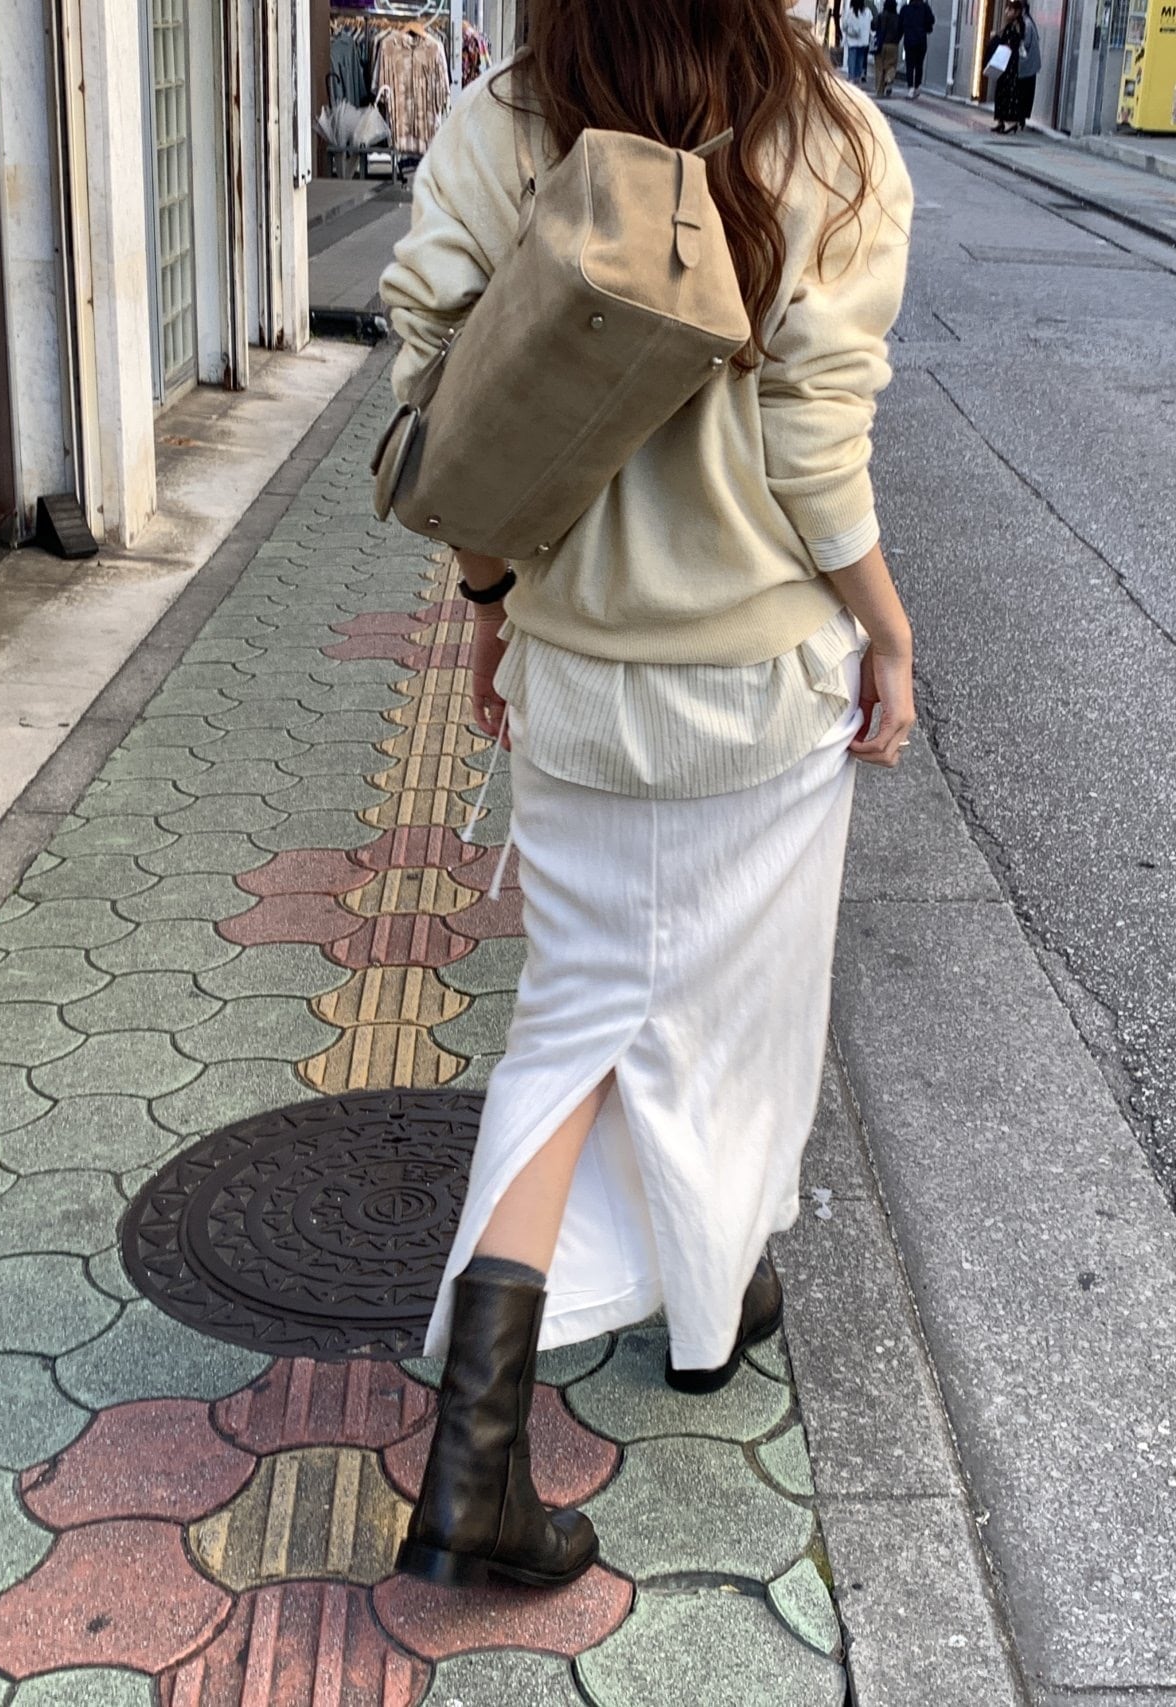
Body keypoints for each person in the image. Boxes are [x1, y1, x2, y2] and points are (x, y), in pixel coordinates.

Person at [381, 0, 915, 1591]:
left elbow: (449, 396)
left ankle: (485, 1454)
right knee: (740, 1015)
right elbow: (816, 450)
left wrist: (492, 601)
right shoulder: (830, 139)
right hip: (761, 685)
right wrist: (889, 633)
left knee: (574, 1018)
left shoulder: (506, 118)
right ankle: (712, 1294)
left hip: (580, 671)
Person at [988, 0, 1025, 132]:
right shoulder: (1009, 25)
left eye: (1010, 10)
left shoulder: (1018, 26)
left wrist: (996, 38)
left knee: (1009, 92)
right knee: (1001, 90)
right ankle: (1001, 121)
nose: (1006, 12)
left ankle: (1011, 122)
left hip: (1010, 64)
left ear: (1017, 12)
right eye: (1006, 9)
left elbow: (1011, 43)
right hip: (1004, 63)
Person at [897, 0, 935, 96]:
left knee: (909, 65)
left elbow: (900, 25)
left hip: (909, 40)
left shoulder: (905, 9)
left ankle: (910, 87)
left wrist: (897, 39)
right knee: (919, 64)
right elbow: (931, 20)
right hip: (921, 40)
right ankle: (917, 86)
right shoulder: (925, 7)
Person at [1016, 0, 1041, 128]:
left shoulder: (1025, 24)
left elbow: (1023, 44)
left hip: (1026, 66)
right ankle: (1021, 119)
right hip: (1031, 66)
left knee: (1021, 93)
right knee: (1026, 94)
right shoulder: (1029, 22)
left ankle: (1019, 118)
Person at [873, 0, 902, 94]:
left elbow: (873, 25)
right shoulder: (898, 18)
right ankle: (889, 79)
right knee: (891, 65)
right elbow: (901, 31)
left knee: (879, 68)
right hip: (893, 45)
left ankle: (879, 90)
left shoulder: (880, 16)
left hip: (880, 45)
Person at [842, 0, 874, 81]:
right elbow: (870, 24)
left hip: (852, 40)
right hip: (863, 41)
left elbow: (844, 25)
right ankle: (857, 77)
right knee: (860, 61)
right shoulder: (867, 12)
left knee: (851, 60)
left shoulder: (850, 12)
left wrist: (848, 31)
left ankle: (851, 77)